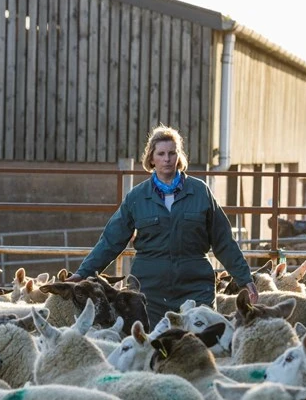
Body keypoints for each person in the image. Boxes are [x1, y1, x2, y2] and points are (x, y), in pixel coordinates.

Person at [67, 125, 258, 329]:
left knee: (201, 341)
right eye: (161, 153)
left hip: (195, 285)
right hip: (150, 290)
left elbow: (223, 241)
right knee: (153, 346)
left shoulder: (200, 192)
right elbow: (111, 241)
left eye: (172, 153)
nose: (167, 159)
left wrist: (244, 278)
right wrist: (83, 272)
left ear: (179, 157)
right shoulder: (137, 198)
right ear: (151, 159)